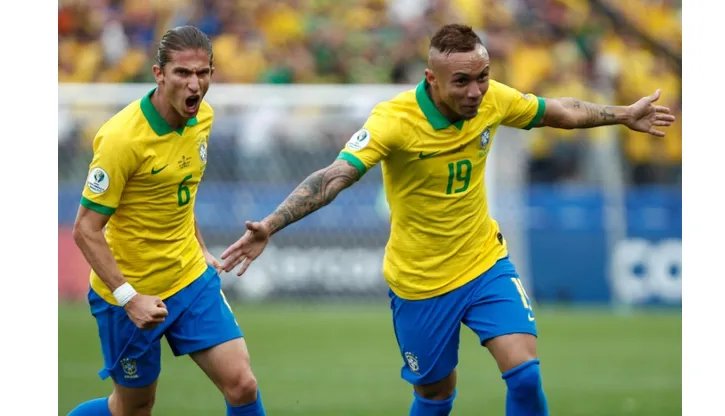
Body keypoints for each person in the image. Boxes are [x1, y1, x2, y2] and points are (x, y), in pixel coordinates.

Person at [220, 24, 675, 416]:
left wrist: (623, 115)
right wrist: (271, 224)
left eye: (482, 77)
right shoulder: (393, 120)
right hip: (420, 283)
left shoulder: (492, 100)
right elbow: (334, 176)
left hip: (484, 263)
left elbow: (559, 111)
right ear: (431, 79)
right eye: (462, 81)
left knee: (524, 373)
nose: (475, 91)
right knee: (436, 395)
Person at [67, 26, 267, 416]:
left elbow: (179, 190)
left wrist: (200, 247)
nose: (195, 84)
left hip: (188, 277)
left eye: (203, 73)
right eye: (183, 73)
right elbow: (85, 229)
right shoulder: (122, 139)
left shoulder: (203, 117)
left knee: (242, 385)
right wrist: (130, 298)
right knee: (133, 408)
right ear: (159, 74)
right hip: (130, 291)